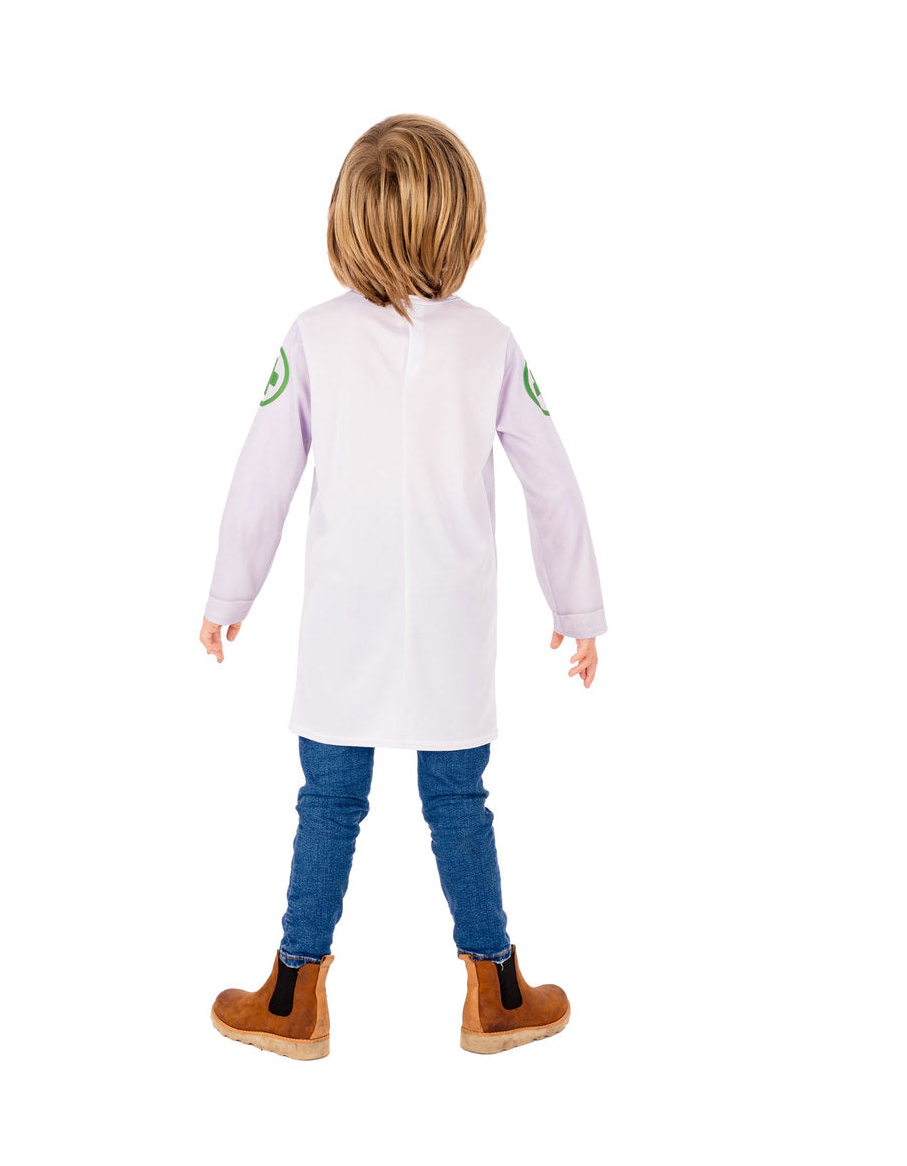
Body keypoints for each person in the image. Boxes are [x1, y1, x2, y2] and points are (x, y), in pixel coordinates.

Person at [200, 114, 606, 1058]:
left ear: (347, 219)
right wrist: (576, 606)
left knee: (328, 803)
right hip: (453, 630)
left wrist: (229, 595)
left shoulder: (314, 336)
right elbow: (551, 479)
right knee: (459, 802)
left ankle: (294, 995)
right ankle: (497, 991)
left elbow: (261, 476)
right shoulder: (490, 342)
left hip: (344, 626)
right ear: (464, 221)